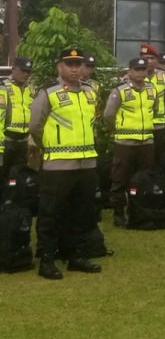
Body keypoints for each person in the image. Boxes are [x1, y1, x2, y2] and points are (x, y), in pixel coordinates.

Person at [31, 47, 102, 279]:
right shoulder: (49, 93)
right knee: (51, 213)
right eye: (69, 64)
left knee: (82, 213)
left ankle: (76, 256)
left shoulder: (90, 92)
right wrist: (50, 146)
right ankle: (47, 260)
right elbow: (36, 126)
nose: (74, 69)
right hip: (58, 165)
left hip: (86, 164)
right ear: (59, 66)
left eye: (78, 64)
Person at [103, 58, 157, 227]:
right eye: (137, 69)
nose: (141, 72)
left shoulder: (151, 90)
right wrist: (119, 129)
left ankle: (141, 211)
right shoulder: (120, 91)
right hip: (125, 143)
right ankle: (119, 213)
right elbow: (108, 115)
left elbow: (153, 110)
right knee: (120, 179)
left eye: (144, 69)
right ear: (130, 71)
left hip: (146, 142)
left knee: (144, 179)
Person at [141, 43, 165, 165]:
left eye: (151, 58)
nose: (148, 61)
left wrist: (160, 113)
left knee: (158, 159)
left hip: (158, 125)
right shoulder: (132, 76)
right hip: (139, 128)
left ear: (157, 60)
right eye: (145, 58)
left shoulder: (163, 76)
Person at [1, 57, 33, 172]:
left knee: (18, 176)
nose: (25, 74)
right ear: (13, 69)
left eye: (28, 72)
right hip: (6, 140)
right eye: (22, 70)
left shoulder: (31, 89)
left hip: (23, 141)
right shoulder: (3, 86)